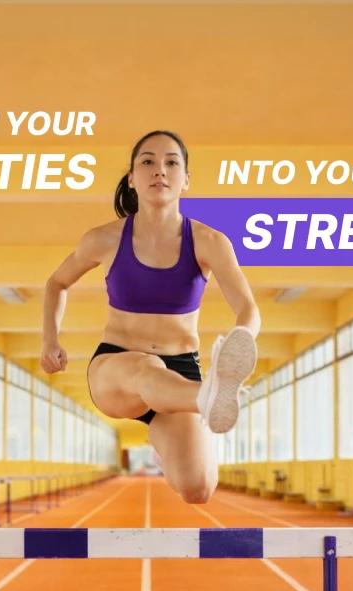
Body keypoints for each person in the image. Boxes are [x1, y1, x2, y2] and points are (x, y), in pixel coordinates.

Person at [41, 130, 259, 503]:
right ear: (132, 177)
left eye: (172, 163)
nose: (160, 170)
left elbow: (249, 309)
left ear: (185, 180)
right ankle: (208, 396)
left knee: (198, 488)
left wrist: (242, 339)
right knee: (147, 368)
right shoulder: (103, 240)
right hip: (117, 368)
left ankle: (166, 442)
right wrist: (51, 339)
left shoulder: (209, 242)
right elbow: (57, 283)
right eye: (148, 162)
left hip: (181, 372)